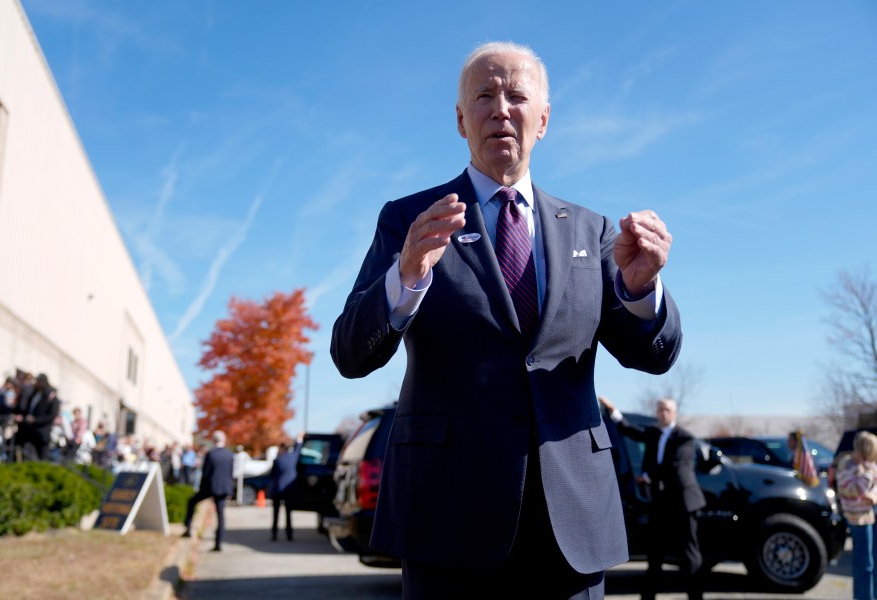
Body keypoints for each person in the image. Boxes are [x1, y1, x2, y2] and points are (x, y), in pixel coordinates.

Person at [331, 41, 682, 599]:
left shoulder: (591, 232)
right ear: (460, 119)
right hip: (447, 519)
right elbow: (350, 353)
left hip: (571, 527)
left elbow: (654, 354)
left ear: (542, 120)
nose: (500, 108)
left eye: (517, 96)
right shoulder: (410, 221)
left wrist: (641, 291)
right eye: (484, 95)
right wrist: (405, 277)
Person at [599, 396, 704, 600]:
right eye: (660, 410)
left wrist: (646, 476)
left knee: (689, 553)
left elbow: (674, 466)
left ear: (674, 413)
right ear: (656, 413)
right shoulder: (653, 433)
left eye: (667, 410)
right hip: (661, 503)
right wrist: (614, 412)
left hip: (684, 502)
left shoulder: (685, 438)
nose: (663, 413)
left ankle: (696, 596)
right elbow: (631, 431)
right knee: (655, 554)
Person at [837, 430, 877, 600]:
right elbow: (853, 490)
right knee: (864, 564)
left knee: (873, 562)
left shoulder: (870, 466)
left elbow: (874, 488)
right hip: (857, 519)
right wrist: (869, 474)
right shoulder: (847, 465)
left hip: (870, 515)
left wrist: (874, 496)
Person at [182, 430, 234, 552]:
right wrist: (230, 491)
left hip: (210, 487)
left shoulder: (211, 454)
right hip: (223, 489)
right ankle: (218, 542)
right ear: (224, 440)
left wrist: (201, 489)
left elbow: (205, 474)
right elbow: (231, 474)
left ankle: (188, 528)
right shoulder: (229, 454)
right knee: (221, 516)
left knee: (192, 501)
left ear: (214, 440)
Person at [13, 373, 61, 461]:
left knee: (42, 457)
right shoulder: (36, 394)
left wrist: (36, 420)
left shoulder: (51, 397)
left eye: (39, 381)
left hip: (42, 433)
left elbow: (51, 415)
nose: (37, 383)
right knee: (28, 455)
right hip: (31, 431)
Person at [268, 441, 301, 541]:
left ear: (282, 449)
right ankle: (289, 534)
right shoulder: (293, 457)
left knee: (276, 514)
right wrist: (299, 440)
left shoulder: (278, 460)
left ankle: (274, 534)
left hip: (278, 489)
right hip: (289, 490)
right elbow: (298, 449)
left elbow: (272, 475)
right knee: (288, 513)